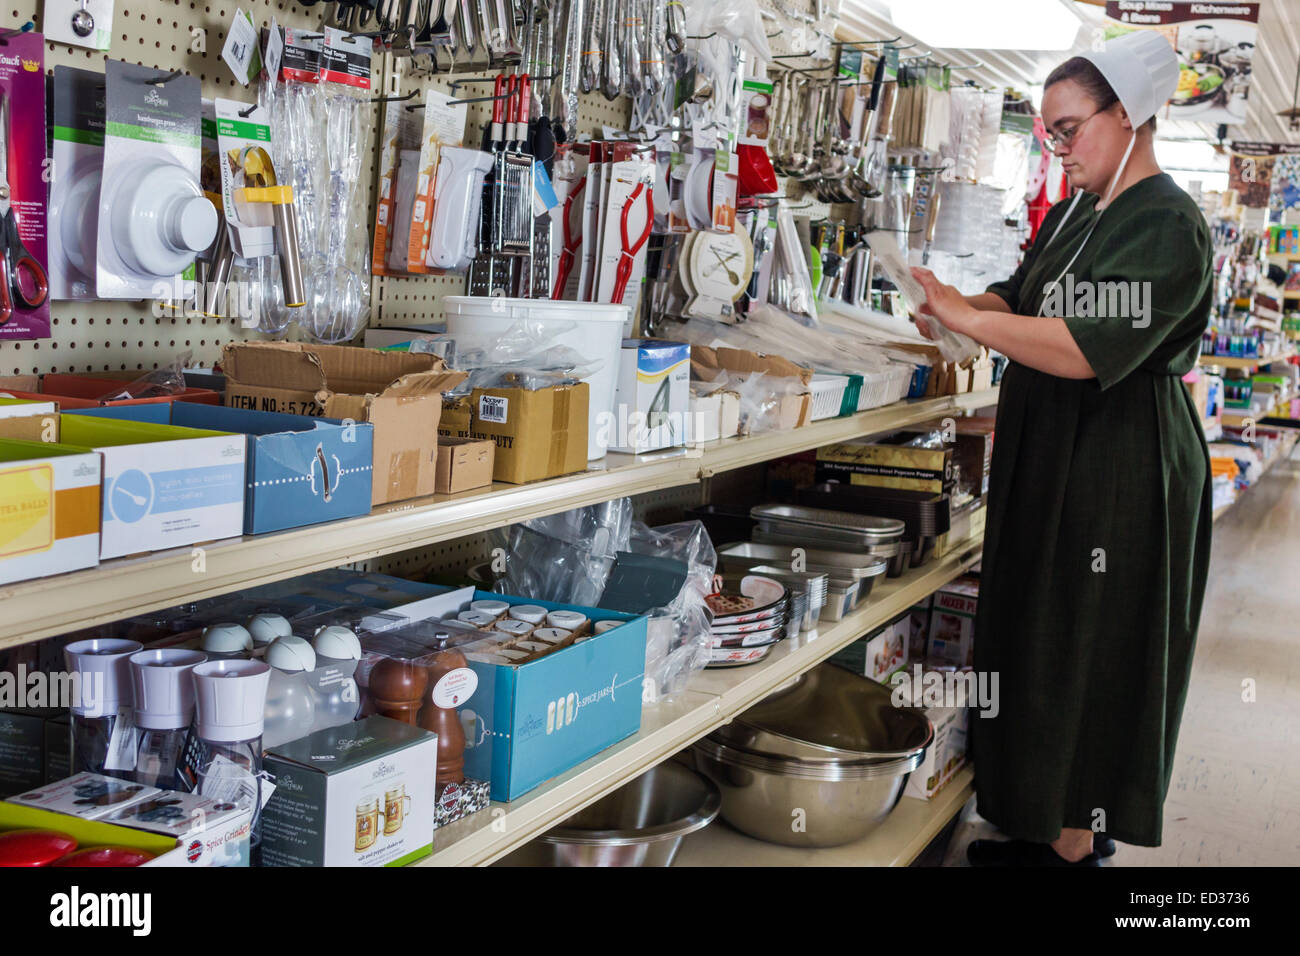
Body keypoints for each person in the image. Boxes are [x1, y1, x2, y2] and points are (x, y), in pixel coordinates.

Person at [910, 31, 1213, 866]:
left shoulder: (1169, 226)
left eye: (1069, 129)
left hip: (1120, 463)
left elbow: (1082, 346)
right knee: (1037, 627)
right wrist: (952, 304)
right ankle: (1041, 820)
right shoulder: (1085, 207)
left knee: (1092, 636)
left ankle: (1074, 842)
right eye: (1048, 132)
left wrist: (976, 324)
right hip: (1055, 450)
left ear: (1129, 117)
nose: (1058, 148)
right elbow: (1024, 292)